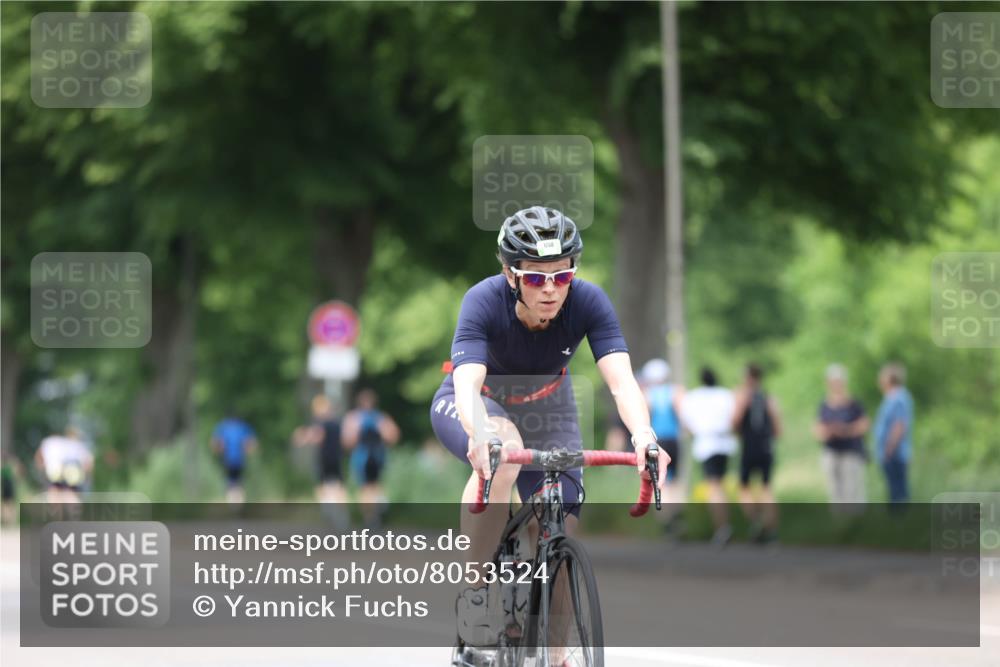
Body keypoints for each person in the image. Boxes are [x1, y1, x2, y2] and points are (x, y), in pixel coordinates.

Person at [429, 206, 669, 649]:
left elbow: (621, 382)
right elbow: (467, 386)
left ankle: (557, 652)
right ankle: (476, 593)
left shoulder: (589, 301)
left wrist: (644, 436)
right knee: (503, 455)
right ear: (510, 274)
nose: (551, 289)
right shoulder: (482, 300)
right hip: (481, 401)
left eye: (562, 276)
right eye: (536, 277)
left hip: (550, 406)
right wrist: (481, 434)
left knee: (558, 529)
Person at [680, 367, 736, 546]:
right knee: (721, 484)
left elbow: (686, 422)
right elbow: (734, 419)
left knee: (714, 487)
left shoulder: (694, 397)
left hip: (706, 444)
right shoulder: (726, 395)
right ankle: (724, 524)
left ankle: (721, 527)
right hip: (725, 443)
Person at [731, 363, 781, 543]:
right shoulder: (768, 397)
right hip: (766, 446)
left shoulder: (743, 396)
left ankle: (755, 521)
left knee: (744, 487)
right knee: (767, 487)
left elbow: (735, 421)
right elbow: (777, 427)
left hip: (749, 446)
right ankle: (771, 529)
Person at [639, 358, 686, 533]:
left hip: (656, 441)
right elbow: (682, 415)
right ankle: (676, 513)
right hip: (673, 440)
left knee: (659, 480)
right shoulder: (675, 391)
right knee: (674, 479)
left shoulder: (647, 394)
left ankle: (665, 519)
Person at [342, 388, 400, 529]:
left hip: (369, 456)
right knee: (369, 487)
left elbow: (393, 436)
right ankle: (372, 516)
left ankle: (371, 517)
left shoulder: (370, 418)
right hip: (367, 456)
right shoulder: (375, 418)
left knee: (368, 488)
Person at [814, 363, 869, 509]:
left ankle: (856, 522)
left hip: (851, 452)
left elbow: (864, 425)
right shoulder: (824, 404)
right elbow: (818, 428)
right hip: (832, 451)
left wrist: (845, 430)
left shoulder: (854, 403)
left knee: (852, 489)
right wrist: (828, 432)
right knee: (835, 491)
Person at [292, 394, 349, 505]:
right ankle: (340, 510)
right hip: (337, 458)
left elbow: (316, 436)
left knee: (322, 486)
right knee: (339, 485)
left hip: (325, 459)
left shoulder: (322, 424)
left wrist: (302, 436)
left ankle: (329, 508)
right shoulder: (337, 422)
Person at [874, 362, 914, 504]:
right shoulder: (891, 397)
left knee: (898, 490)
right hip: (890, 452)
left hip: (894, 453)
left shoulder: (899, 398)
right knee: (893, 489)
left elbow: (899, 425)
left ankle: (900, 521)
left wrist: (889, 448)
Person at [34, 426, 94, 504]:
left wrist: (41, 470)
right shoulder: (78, 445)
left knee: (55, 493)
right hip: (71, 473)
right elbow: (88, 463)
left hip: (55, 471)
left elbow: (38, 457)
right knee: (69, 494)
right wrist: (86, 477)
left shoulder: (48, 442)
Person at [210, 411, 258, 505]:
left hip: (227, 459)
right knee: (239, 482)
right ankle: (238, 504)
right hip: (240, 459)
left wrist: (218, 451)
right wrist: (249, 452)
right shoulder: (243, 427)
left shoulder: (223, 426)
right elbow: (251, 442)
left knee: (230, 482)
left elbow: (215, 442)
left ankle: (232, 504)